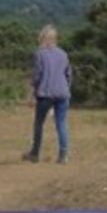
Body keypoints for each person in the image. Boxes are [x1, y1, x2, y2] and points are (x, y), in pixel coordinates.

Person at [23, 25, 72, 164]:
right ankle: (63, 154)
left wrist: (32, 93)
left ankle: (35, 153)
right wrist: (65, 88)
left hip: (46, 93)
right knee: (61, 123)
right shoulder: (63, 54)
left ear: (43, 38)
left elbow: (37, 75)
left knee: (39, 123)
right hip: (63, 93)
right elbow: (69, 74)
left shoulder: (40, 54)